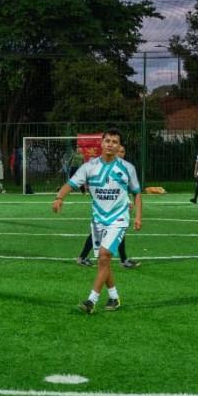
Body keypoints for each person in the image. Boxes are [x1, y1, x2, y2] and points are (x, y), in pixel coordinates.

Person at [52, 129, 142, 314]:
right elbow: (71, 184)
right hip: (98, 220)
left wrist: (138, 216)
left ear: (119, 146)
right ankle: (114, 297)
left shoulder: (127, 168)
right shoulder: (89, 167)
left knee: (103, 256)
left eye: (114, 141)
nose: (110, 144)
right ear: (101, 143)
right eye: (107, 140)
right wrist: (59, 197)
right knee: (104, 260)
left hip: (118, 219)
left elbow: (137, 193)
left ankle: (91, 301)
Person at [76, 145, 140, 268]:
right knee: (98, 232)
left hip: (117, 207)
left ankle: (123, 259)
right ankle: (83, 257)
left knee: (119, 231)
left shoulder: (123, 168)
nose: (121, 153)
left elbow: (123, 189)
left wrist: (126, 201)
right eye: (120, 151)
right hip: (106, 208)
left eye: (123, 151)